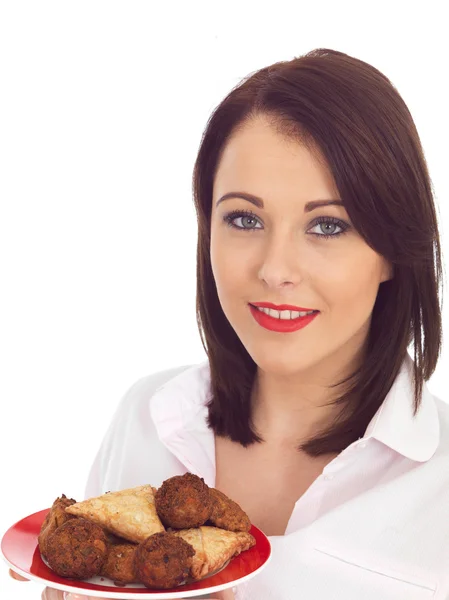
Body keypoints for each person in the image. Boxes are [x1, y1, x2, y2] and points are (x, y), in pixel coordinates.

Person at [10, 47, 448, 599]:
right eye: (245, 219)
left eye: (328, 226)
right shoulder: (145, 418)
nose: (275, 270)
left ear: (391, 249)